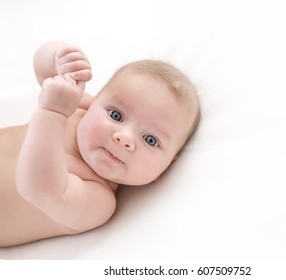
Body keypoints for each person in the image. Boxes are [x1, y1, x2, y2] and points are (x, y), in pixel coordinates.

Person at [0, 41, 200, 247]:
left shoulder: (98, 201)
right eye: (116, 115)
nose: (124, 138)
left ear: (165, 168)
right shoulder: (80, 107)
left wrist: (52, 113)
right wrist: (59, 58)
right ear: (94, 102)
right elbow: (46, 75)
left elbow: (39, 189)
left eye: (151, 140)